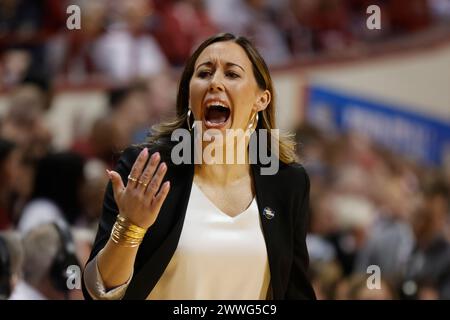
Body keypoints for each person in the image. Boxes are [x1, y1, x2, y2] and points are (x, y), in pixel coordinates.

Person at [82, 33, 315, 300]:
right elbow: (100, 292)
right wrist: (131, 227)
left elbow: (296, 292)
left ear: (261, 100)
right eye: (204, 74)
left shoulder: (287, 182)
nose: (215, 82)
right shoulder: (149, 168)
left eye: (232, 74)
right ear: (190, 95)